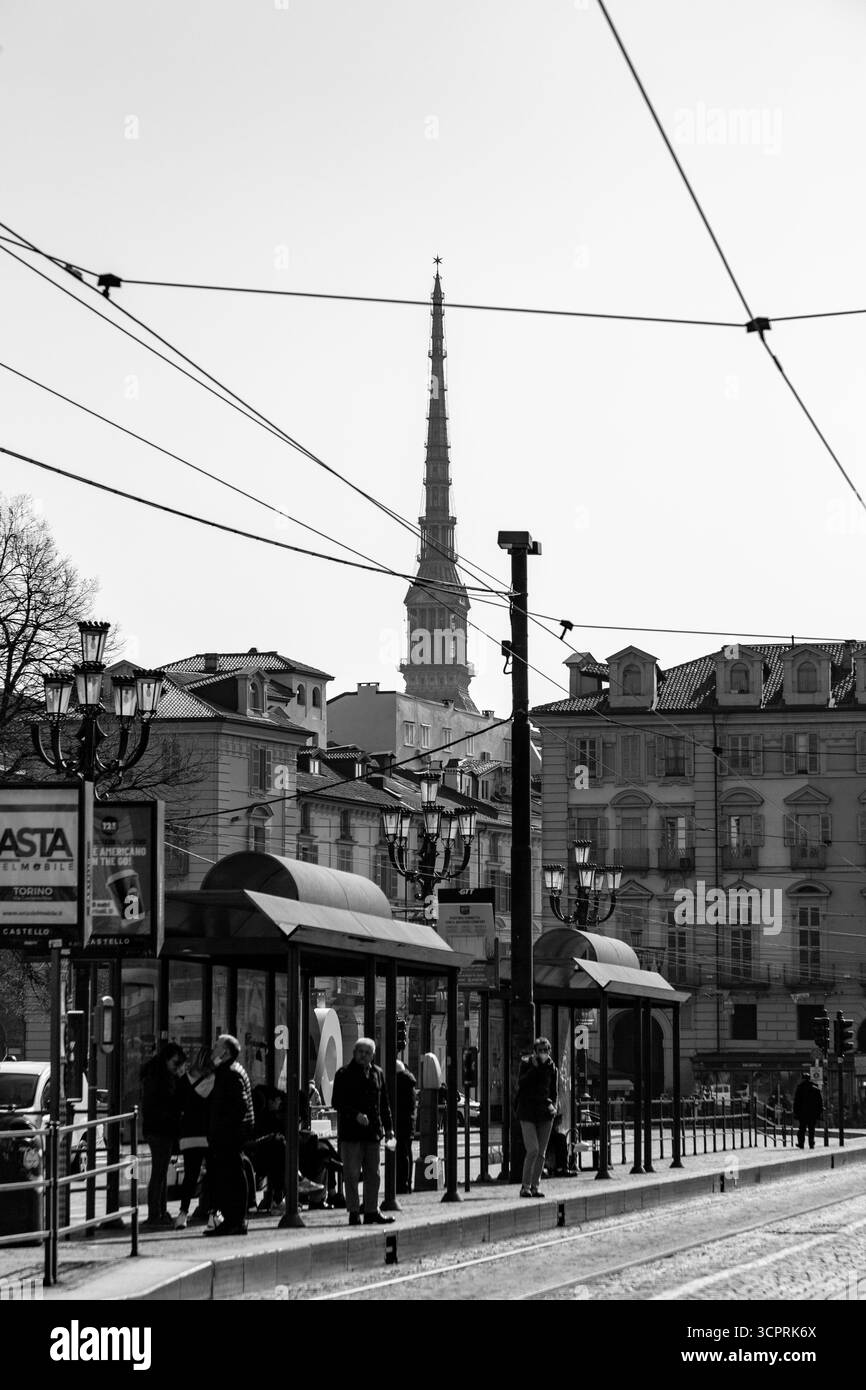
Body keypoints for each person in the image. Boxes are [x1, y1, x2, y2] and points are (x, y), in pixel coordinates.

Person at [331, 1037, 395, 1226]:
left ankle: (371, 1211)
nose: (364, 1056)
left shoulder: (378, 1073)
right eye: (361, 1052)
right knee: (351, 1174)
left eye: (367, 1053)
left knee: (373, 1174)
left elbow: (384, 1104)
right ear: (354, 1053)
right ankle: (353, 1212)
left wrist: (389, 1128)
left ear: (372, 1055)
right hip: (351, 1134)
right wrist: (355, 1115)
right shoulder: (344, 1074)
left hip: (373, 1133)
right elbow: (337, 1102)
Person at [206, 1034, 255, 1236]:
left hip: (230, 1135)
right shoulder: (231, 1070)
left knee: (231, 1176)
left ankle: (235, 1220)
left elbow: (240, 1106)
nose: (213, 1049)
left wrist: (223, 1128)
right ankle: (232, 1220)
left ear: (225, 1051)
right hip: (232, 1132)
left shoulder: (230, 1073)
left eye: (216, 1046)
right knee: (230, 1175)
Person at [140, 1043, 186, 1229]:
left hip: (154, 1129)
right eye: (175, 1063)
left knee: (160, 1172)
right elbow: (172, 1103)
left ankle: (159, 1211)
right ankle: (155, 1214)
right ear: (168, 1059)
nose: (177, 1067)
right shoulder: (162, 1079)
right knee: (159, 1173)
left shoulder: (153, 1075)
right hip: (161, 1130)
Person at [174, 1046, 214, 1229]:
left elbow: (177, 1106)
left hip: (188, 1136)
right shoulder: (214, 1082)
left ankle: (183, 1214)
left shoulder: (183, 1081)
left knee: (190, 1176)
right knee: (213, 1174)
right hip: (208, 1135)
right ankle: (214, 1214)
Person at [515, 1037, 558, 1198]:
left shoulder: (552, 1068)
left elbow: (554, 1091)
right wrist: (534, 1068)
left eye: (546, 1050)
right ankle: (525, 1186)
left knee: (541, 1152)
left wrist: (554, 1106)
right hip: (527, 1111)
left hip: (545, 1112)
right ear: (534, 1052)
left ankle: (535, 1186)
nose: (543, 1053)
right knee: (532, 1149)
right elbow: (521, 1083)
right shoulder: (526, 1064)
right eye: (540, 1050)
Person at [394, 1059, 418, 1195]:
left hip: (400, 1123)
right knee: (406, 1153)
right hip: (409, 1123)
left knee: (400, 1154)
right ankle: (407, 1183)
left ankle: (401, 1184)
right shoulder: (410, 1083)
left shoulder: (399, 1083)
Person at [793, 1071, 823, 1150]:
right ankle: (811, 1143)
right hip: (812, 1113)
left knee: (802, 1129)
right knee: (811, 1129)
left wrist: (796, 1113)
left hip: (802, 1113)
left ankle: (801, 1143)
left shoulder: (800, 1088)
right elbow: (819, 1102)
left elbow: (796, 1102)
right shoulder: (815, 1088)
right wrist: (819, 1112)